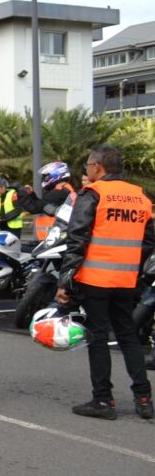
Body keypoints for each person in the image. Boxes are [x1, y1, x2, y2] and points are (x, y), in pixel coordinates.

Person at [56, 145, 154, 420]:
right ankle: (144, 399)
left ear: (98, 167)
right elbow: (149, 240)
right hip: (126, 279)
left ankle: (103, 400)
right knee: (128, 337)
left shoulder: (93, 194)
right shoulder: (140, 196)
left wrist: (65, 281)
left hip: (95, 279)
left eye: (87, 166)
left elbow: (77, 239)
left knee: (97, 338)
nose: (86, 170)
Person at [18, 161, 76, 241]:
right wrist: (31, 195)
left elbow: (34, 208)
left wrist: (21, 194)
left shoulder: (57, 192)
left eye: (46, 176)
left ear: (56, 174)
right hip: (55, 235)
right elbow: (42, 204)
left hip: (50, 236)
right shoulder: (66, 189)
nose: (44, 179)